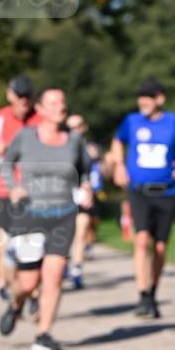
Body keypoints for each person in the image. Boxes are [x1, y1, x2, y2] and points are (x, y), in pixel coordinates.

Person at [0, 88, 92, 350]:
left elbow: (86, 169)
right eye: (53, 102)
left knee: (54, 276)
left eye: (62, 101)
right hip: (30, 216)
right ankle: (15, 304)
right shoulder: (26, 137)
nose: (60, 106)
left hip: (63, 215)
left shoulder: (74, 140)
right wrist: (13, 186)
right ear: (39, 109)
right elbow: (6, 163)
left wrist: (86, 187)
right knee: (28, 282)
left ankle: (44, 333)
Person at [111, 79, 175, 318]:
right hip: (139, 191)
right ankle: (141, 294)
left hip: (166, 192)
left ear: (160, 99)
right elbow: (118, 141)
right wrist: (118, 165)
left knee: (160, 246)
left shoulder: (173, 122)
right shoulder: (131, 121)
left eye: (148, 96)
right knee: (141, 240)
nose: (143, 101)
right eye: (141, 96)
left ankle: (151, 292)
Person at [0, 75, 40, 299]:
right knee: (0, 245)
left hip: (36, 193)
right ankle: (6, 285)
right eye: (19, 96)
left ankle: (28, 292)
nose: (24, 101)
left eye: (27, 96)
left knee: (31, 245)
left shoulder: (40, 119)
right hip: (5, 192)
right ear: (10, 95)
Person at [65, 113, 104, 290]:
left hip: (83, 193)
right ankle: (63, 264)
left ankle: (77, 270)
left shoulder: (91, 148)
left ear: (84, 127)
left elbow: (99, 170)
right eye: (71, 127)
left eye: (78, 126)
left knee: (81, 232)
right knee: (66, 235)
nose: (75, 130)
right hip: (63, 195)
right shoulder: (60, 145)